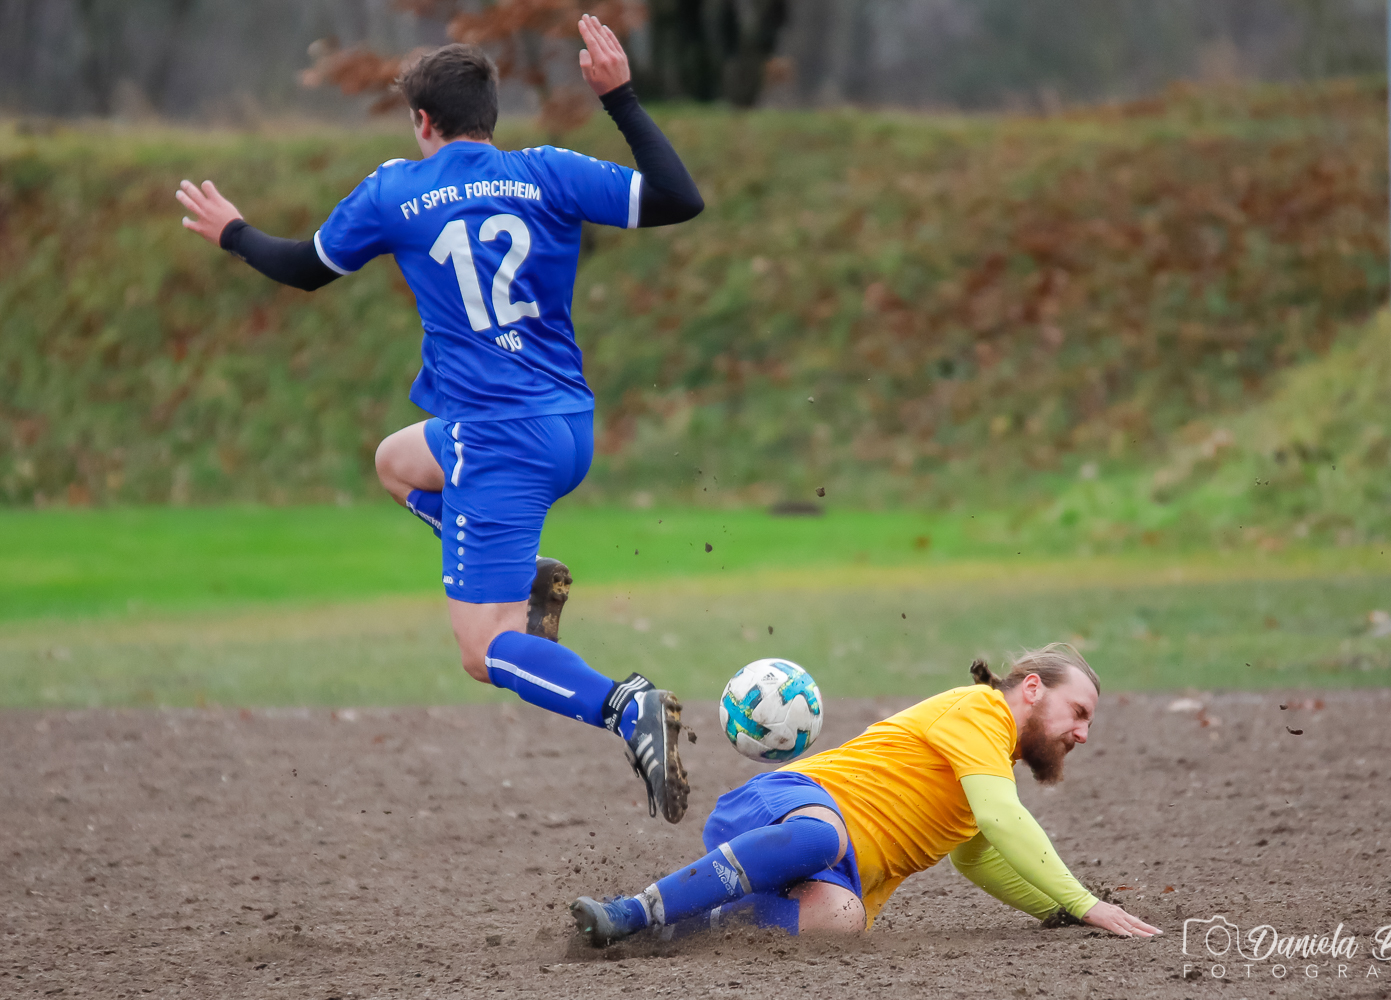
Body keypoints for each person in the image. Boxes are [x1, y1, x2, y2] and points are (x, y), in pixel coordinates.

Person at [174, 18, 704, 822]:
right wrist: (619, 98)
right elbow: (678, 197)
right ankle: (520, 581)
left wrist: (234, 234)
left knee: (484, 651)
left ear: (421, 121)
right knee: (395, 460)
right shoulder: (548, 172)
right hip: (566, 428)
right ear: (491, 113)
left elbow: (304, 269)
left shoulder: (395, 190)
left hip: (497, 444)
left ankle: (624, 705)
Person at [571, 644, 1163, 941]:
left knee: (843, 920)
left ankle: (679, 924)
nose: (1083, 733)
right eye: (1078, 712)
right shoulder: (981, 709)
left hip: (833, 871)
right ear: (1031, 688)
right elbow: (1003, 819)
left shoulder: (989, 767)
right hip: (786, 803)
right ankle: (634, 910)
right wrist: (1089, 901)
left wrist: (1061, 913)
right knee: (821, 835)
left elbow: (980, 856)